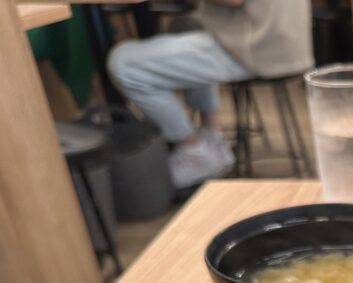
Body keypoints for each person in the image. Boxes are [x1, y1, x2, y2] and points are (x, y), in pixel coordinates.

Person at [107, 0, 312, 189]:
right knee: (187, 27)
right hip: (283, 38)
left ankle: (194, 150)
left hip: (256, 43)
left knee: (124, 63)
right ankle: (211, 136)